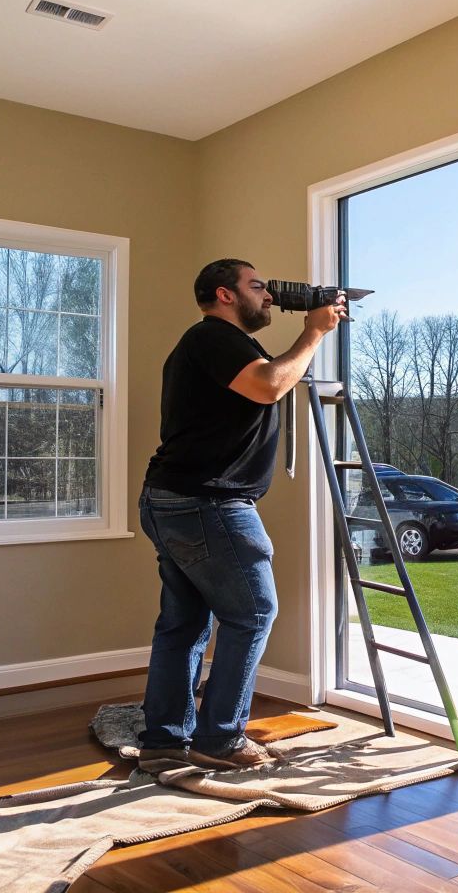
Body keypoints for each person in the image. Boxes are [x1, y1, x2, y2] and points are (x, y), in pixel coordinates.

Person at [135, 258, 345, 770]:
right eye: (257, 286)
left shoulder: (220, 345)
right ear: (225, 295)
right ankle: (220, 740)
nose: (268, 295)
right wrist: (314, 333)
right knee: (252, 612)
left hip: (175, 498)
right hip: (207, 502)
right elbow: (270, 384)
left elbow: (271, 377)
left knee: (184, 623)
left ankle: (164, 740)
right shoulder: (213, 337)